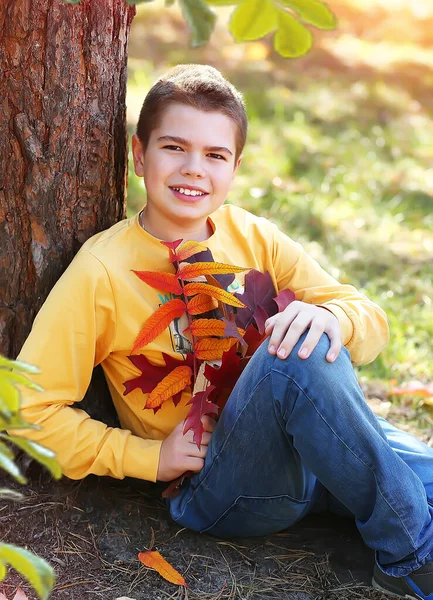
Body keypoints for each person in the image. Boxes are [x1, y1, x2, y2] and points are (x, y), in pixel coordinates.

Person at [12, 64, 433, 600]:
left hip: (313, 456)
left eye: (215, 155)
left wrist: (334, 318)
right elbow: (29, 411)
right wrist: (148, 458)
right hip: (222, 488)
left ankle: (389, 519)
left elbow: (368, 318)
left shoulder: (253, 235)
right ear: (140, 156)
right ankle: (410, 560)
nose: (194, 170)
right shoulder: (101, 271)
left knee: (313, 332)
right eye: (173, 147)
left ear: (235, 168)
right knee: (291, 358)